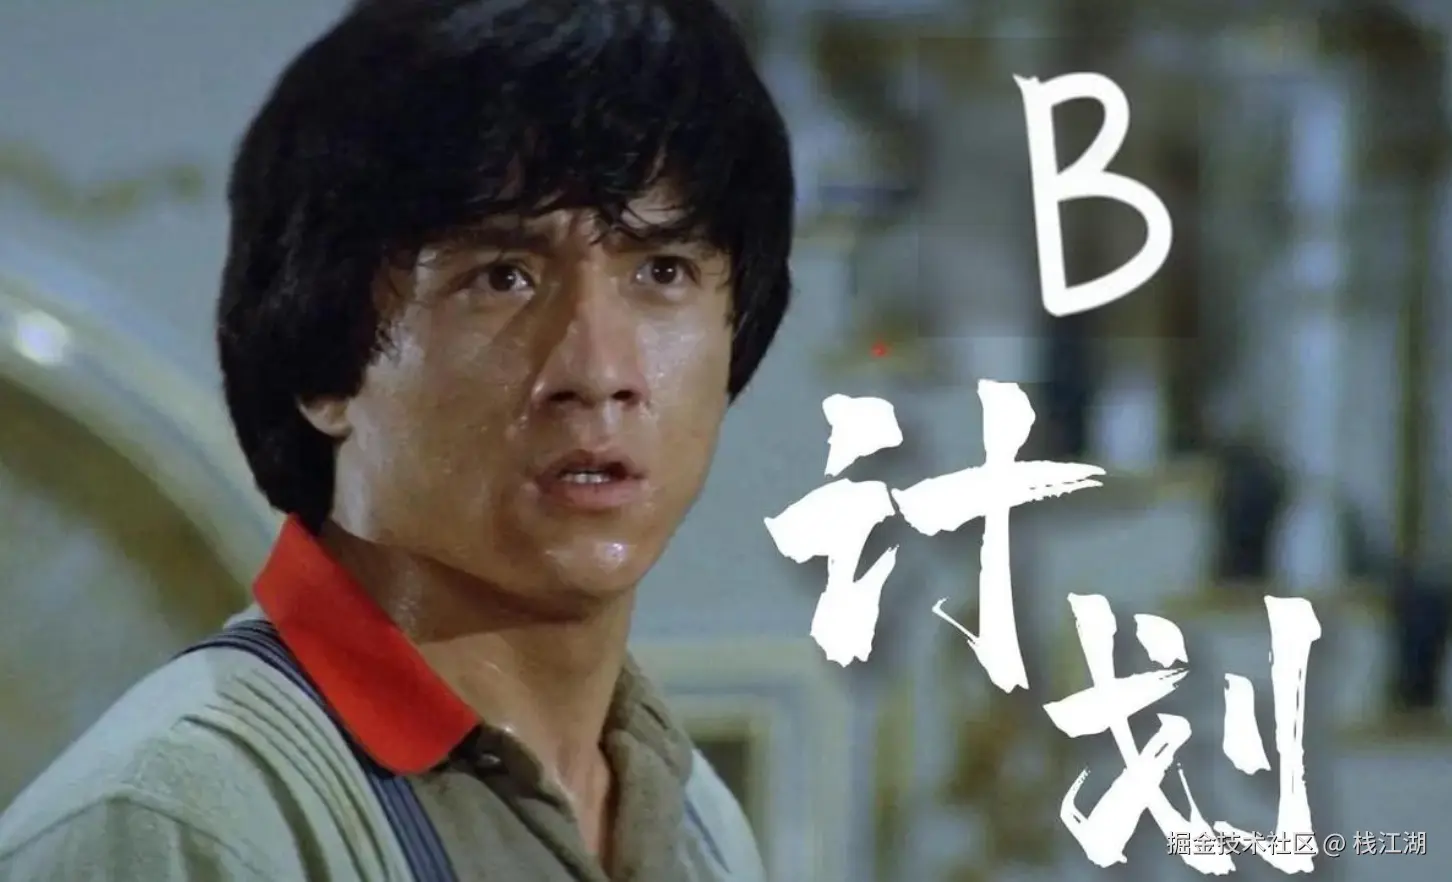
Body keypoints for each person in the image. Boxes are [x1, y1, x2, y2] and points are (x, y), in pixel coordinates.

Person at [0, 0, 793, 878]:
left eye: (662, 270)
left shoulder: (696, 820)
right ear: (326, 365)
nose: (600, 371)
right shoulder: (186, 821)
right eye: (505, 277)